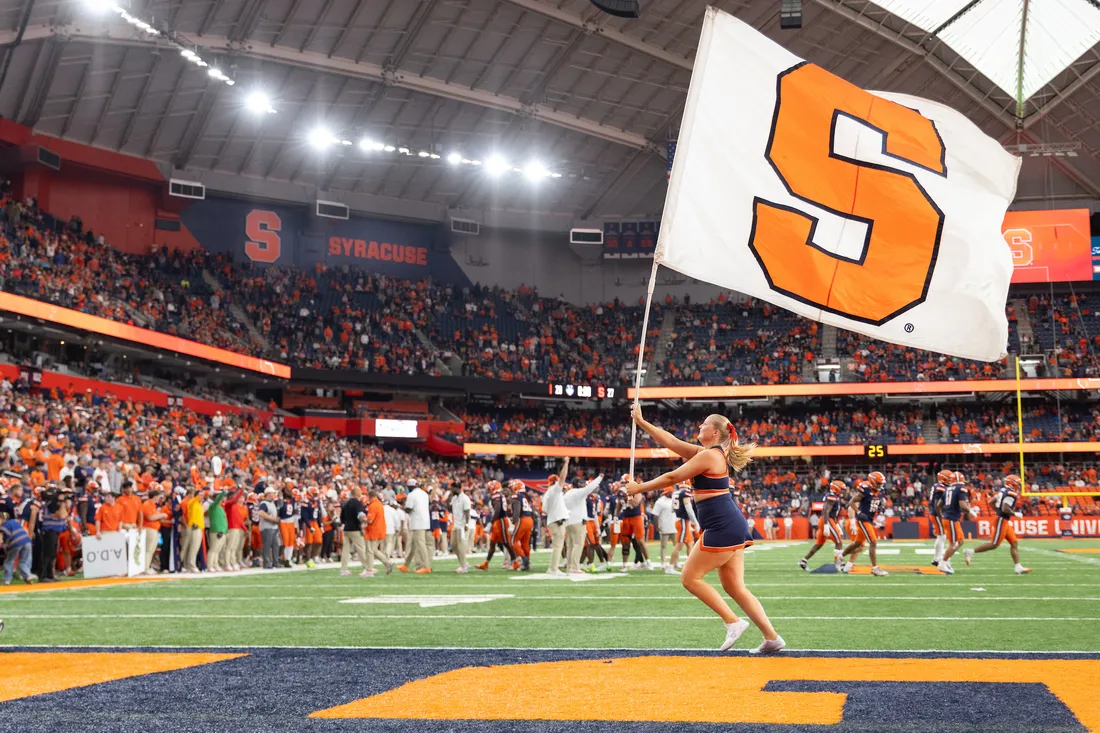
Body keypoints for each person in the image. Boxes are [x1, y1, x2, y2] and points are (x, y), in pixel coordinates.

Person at [627, 406, 784, 653]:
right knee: (735, 587)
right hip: (730, 524)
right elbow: (672, 442)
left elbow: (671, 478)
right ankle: (772, 637)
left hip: (722, 526)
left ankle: (733, 622)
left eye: (704, 425)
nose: (700, 427)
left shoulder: (709, 456)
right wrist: (643, 422)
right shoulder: (707, 453)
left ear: (715, 432)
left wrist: (638, 488)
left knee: (689, 577)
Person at [964, 474, 1031, 574]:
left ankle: (1018, 567)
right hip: (1001, 520)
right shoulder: (1010, 493)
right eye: (1017, 483)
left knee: (1014, 543)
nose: (1019, 485)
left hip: (1003, 519)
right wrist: (1015, 513)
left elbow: (991, 502)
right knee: (994, 544)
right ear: (1012, 483)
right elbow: (1005, 508)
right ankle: (970, 551)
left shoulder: (1003, 490)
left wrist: (998, 511)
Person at [840, 473, 889, 576]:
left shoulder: (880, 491)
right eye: (878, 483)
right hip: (863, 520)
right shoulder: (866, 490)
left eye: (881, 484)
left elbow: (877, 502)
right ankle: (875, 568)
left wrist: (880, 507)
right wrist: (858, 513)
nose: (880, 486)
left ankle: (840, 556)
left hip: (869, 520)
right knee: (873, 542)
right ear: (872, 482)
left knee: (857, 543)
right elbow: (852, 502)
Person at [799, 480, 845, 572]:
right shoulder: (832, 496)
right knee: (838, 542)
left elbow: (832, 513)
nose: (843, 491)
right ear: (836, 489)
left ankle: (803, 561)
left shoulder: (834, 496)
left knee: (819, 544)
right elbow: (826, 511)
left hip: (826, 520)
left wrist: (836, 524)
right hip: (826, 520)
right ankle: (839, 564)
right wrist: (826, 525)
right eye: (842, 489)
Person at [563, 474, 604, 573]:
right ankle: (575, 567)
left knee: (571, 546)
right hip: (577, 522)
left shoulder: (567, 494)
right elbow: (590, 487)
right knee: (578, 545)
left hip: (568, 522)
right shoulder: (578, 492)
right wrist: (599, 478)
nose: (583, 485)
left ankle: (570, 567)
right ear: (578, 484)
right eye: (581, 483)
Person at [475, 480, 516, 571]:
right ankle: (486, 563)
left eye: (489, 488)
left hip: (501, 520)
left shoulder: (497, 495)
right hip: (498, 521)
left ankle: (515, 562)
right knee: (493, 543)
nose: (488, 489)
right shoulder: (497, 495)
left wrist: (490, 523)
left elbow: (497, 510)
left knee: (506, 543)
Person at [939, 471, 972, 575]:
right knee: (953, 543)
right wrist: (970, 511)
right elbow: (962, 505)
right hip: (952, 519)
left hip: (949, 518)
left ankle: (946, 559)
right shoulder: (961, 488)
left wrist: (946, 512)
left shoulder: (947, 489)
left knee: (961, 541)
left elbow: (939, 504)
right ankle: (943, 563)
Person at [542, 460, 570, 577]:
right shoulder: (554, 490)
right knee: (558, 546)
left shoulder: (547, 493)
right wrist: (566, 464)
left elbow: (544, 509)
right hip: (557, 521)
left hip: (553, 520)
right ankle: (553, 568)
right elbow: (563, 477)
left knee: (557, 546)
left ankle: (553, 568)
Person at [339, 487, 371, 577]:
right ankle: (367, 568)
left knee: (345, 550)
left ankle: (343, 569)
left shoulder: (345, 504)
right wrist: (362, 526)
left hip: (346, 529)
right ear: (357, 493)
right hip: (355, 529)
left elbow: (342, 518)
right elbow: (360, 515)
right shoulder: (358, 503)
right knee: (361, 549)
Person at [400, 481, 431, 574]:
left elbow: (408, 509)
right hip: (424, 521)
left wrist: (402, 507)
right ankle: (406, 565)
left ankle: (426, 566)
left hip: (417, 522)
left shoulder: (411, 495)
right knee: (413, 545)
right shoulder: (424, 494)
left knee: (421, 544)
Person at [669, 483, 699, 574]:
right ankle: (670, 567)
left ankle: (690, 567)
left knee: (690, 544)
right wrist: (695, 522)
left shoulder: (675, 493)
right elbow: (688, 508)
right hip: (683, 521)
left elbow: (672, 509)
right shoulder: (685, 492)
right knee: (679, 545)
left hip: (681, 520)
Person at [1, 510, 36, 585]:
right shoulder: (14, 521)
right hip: (27, 541)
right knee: (24, 561)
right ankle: (27, 576)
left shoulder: (3, 527)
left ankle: (7, 579)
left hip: (16, 543)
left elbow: (0, 540)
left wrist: (5, 546)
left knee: (9, 561)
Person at [364, 490, 392, 575]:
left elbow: (370, 520)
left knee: (371, 550)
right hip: (380, 530)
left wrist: (362, 518)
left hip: (373, 531)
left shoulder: (373, 505)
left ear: (370, 496)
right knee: (373, 550)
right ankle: (385, 563)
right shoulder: (379, 504)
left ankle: (371, 569)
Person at [509, 479, 534, 571]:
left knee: (513, 541)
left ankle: (524, 559)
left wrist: (513, 524)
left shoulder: (517, 496)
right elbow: (533, 510)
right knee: (525, 543)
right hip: (530, 520)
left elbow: (517, 511)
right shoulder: (526, 496)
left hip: (522, 519)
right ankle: (527, 564)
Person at [651, 487, 677, 570]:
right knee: (663, 546)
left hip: (674, 525)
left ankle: (676, 562)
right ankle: (663, 563)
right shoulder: (660, 502)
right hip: (664, 525)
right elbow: (655, 515)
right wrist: (657, 525)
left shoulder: (675, 500)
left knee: (676, 546)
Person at [929, 469, 951, 567]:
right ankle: (937, 558)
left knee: (942, 536)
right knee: (941, 536)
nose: (951, 480)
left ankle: (937, 558)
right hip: (937, 514)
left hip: (937, 513)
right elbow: (937, 504)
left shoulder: (940, 486)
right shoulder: (940, 487)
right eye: (949, 478)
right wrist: (941, 516)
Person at [449, 484, 472, 573]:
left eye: (452, 488)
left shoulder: (465, 498)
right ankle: (464, 563)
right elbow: (450, 509)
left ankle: (463, 566)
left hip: (462, 525)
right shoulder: (454, 498)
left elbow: (467, 512)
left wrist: (466, 523)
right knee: (453, 545)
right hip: (456, 524)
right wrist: (449, 498)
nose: (451, 490)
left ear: (457, 488)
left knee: (461, 545)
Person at [258, 487, 280, 570]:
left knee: (275, 545)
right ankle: (267, 563)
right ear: (268, 494)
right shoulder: (264, 503)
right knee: (267, 545)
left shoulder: (272, 503)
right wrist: (271, 519)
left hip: (273, 526)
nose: (274, 495)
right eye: (273, 493)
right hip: (267, 527)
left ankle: (275, 562)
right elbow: (261, 513)